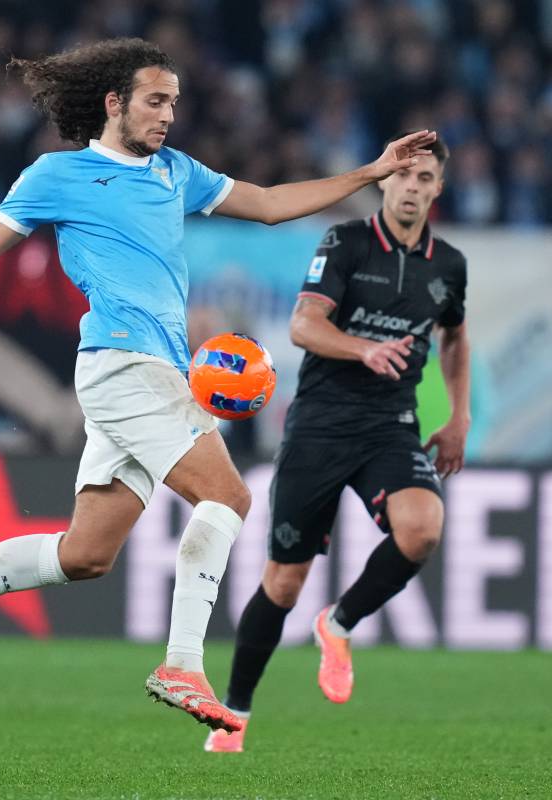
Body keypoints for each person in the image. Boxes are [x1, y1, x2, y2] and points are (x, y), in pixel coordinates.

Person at [0, 38, 435, 733]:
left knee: (85, 555)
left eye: (174, 102)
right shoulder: (59, 174)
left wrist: (371, 172)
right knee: (228, 496)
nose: (169, 114)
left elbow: (267, 203)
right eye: (156, 101)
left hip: (157, 370)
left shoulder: (177, 171)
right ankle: (182, 663)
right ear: (115, 103)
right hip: (122, 364)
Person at [205, 133, 469, 753]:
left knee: (422, 528)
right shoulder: (346, 242)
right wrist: (363, 349)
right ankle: (232, 717)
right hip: (321, 424)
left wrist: (458, 417)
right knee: (283, 583)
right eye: (402, 175)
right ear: (385, 181)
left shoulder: (449, 265)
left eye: (424, 178)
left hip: (389, 424)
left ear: (437, 189)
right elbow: (303, 324)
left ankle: (340, 623)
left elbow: (455, 337)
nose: (410, 187)